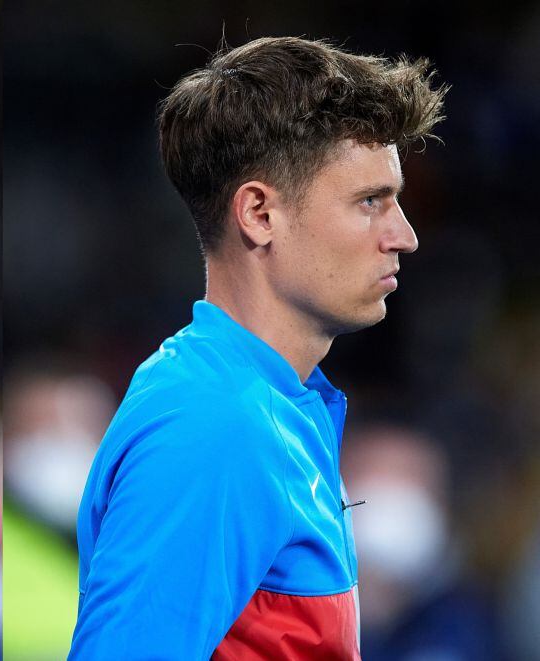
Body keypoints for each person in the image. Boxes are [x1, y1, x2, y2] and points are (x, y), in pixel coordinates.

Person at [69, 36, 445, 659]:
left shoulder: (263, 405)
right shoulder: (215, 424)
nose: (403, 236)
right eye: (370, 202)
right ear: (260, 214)